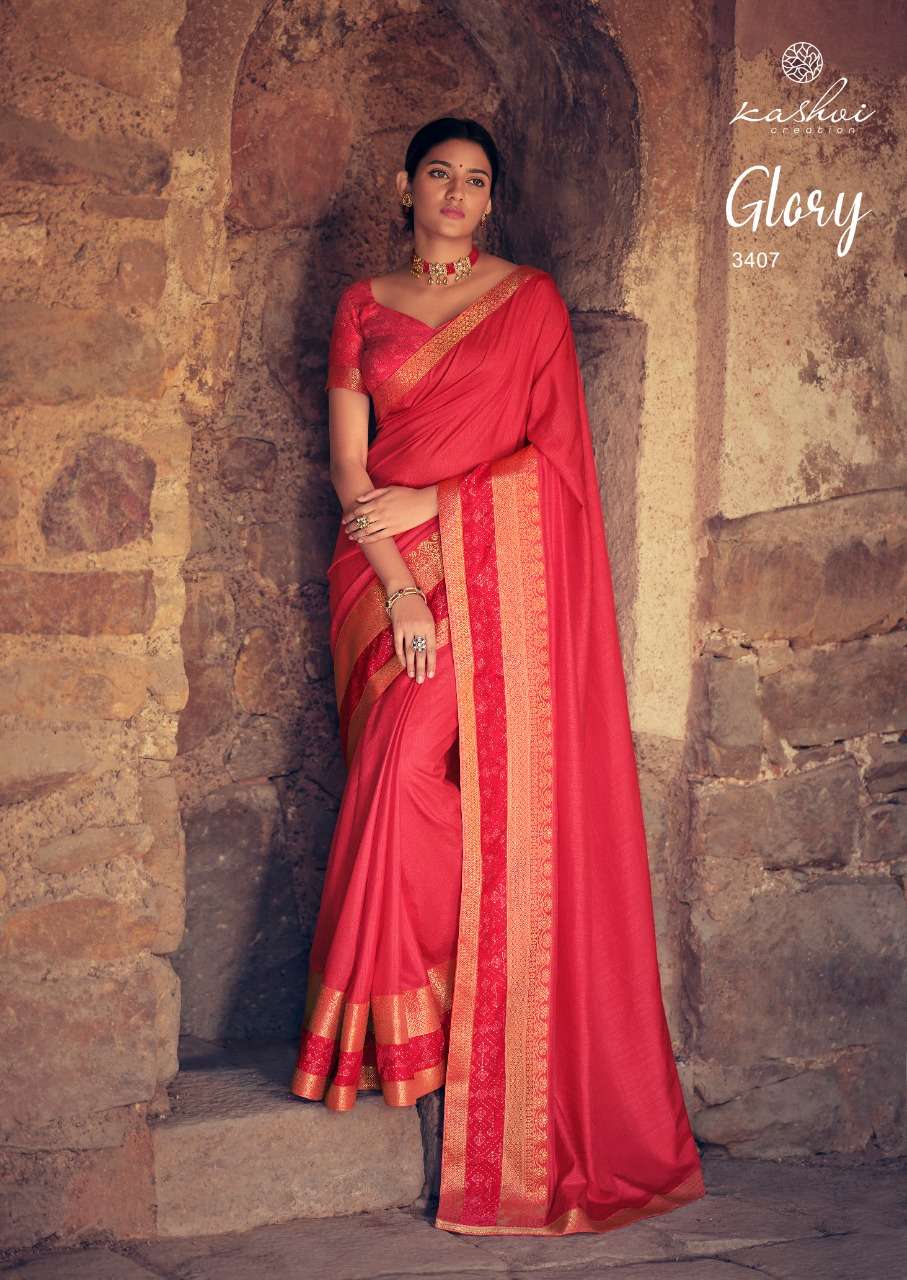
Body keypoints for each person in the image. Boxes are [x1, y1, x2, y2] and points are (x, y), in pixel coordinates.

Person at [289, 115, 705, 1236]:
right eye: (440, 174)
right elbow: (348, 466)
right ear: (406, 186)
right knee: (387, 767)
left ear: (490, 198)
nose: (457, 193)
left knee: (403, 775)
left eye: (475, 180)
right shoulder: (362, 304)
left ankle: (421, 1012)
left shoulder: (529, 303)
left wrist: (441, 504)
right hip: (381, 572)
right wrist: (402, 582)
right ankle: (407, 1018)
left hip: (487, 566)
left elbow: (555, 459)